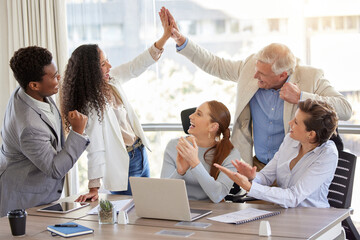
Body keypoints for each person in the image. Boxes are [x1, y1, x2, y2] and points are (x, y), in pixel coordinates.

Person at [160, 7, 352, 169]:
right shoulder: (251, 67)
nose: (255, 76)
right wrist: (181, 40)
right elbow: (214, 64)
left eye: (262, 74)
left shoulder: (311, 77)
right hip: (258, 167)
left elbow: (345, 109)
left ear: (282, 75)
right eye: (256, 69)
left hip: (296, 167)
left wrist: (302, 97)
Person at [62, 9, 173, 202]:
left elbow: (135, 66)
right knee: (133, 214)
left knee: (147, 207)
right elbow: (94, 148)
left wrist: (164, 37)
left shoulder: (111, 81)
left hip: (140, 152)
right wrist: (93, 187)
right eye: (103, 64)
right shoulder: (90, 105)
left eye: (107, 61)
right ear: (90, 71)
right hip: (126, 162)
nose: (109, 67)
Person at [0, 46, 89, 217]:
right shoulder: (29, 127)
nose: (59, 78)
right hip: (24, 201)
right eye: (54, 77)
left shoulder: (27, 92)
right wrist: (77, 132)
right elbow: (55, 169)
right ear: (33, 85)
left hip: (35, 193)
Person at [215, 99, 338, 208]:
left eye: (296, 122)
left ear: (311, 134)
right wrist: (252, 177)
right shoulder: (290, 140)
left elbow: (294, 197)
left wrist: (249, 187)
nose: (290, 123)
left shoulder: (327, 155)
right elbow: (267, 177)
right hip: (284, 213)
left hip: (313, 218)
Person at [161, 100, 241, 203]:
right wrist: (179, 172)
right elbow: (163, 192)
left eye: (198, 114)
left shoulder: (231, 154)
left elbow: (218, 195)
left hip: (213, 213)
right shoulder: (174, 145)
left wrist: (195, 163)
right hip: (177, 208)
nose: (190, 116)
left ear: (213, 127)